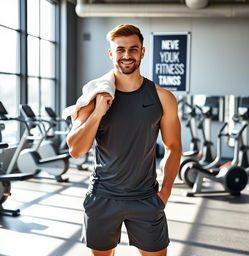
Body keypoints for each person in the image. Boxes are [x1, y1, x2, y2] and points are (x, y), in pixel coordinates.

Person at [66, 24, 182, 256]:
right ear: (111, 53)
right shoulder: (93, 96)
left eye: (133, 49)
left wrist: (166, 191)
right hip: (102, 197)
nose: (126, 56)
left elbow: (173, 147)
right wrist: (98, 112)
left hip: (146, 198)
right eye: (120, 50)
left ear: (142, 52)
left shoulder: (162, 97)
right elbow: (76, 149)